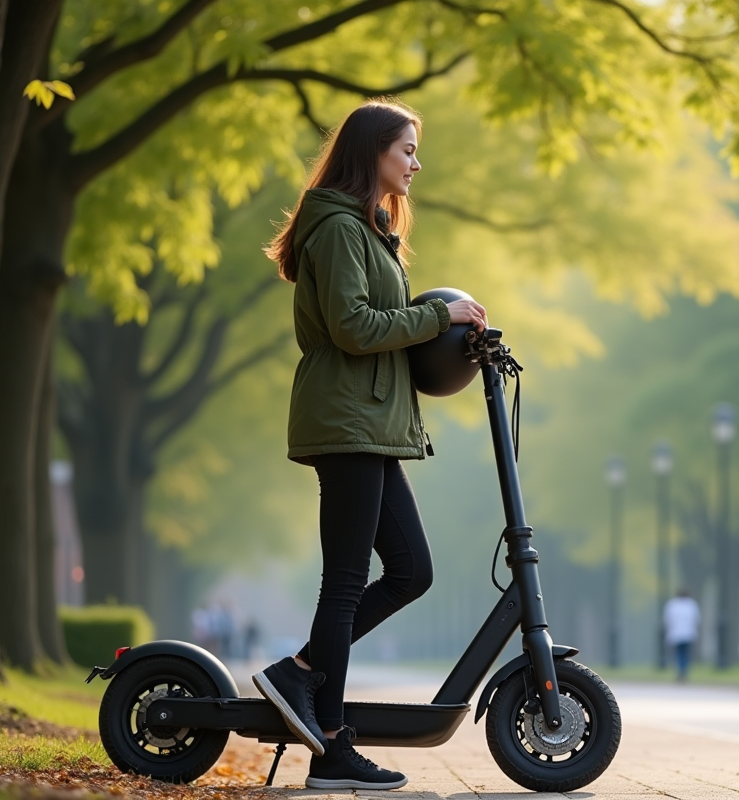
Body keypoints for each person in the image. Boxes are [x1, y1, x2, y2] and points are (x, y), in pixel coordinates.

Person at [253, 99, 487, 791]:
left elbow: (387, 329)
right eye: (407, 149)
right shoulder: (334, 225)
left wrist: (454, 334)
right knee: (348, 581)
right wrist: (435, 315)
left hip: (374, 422)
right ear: (373, 151)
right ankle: (329, 746)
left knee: (411, 570)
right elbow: (355, 327)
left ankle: (296, 673)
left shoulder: (369, 228)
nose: (417, 162)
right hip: (347, 419)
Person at [662, 588, 701, 681]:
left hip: (676, 634)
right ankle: (684, 671)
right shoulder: (692, 604)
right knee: (686, 653)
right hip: (688, 633)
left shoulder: (672, 604)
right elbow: (697, 619)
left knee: (679, 653)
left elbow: (667, 619)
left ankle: (680, 671)